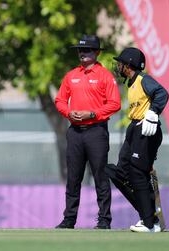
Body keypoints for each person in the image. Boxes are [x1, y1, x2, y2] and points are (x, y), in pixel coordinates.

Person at [55, 35, 121, 229]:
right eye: (80, 50)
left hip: (96, 132)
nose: (82, 53)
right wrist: (69, 113)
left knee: (100, 176)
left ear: (97, 53)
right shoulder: (71, 75)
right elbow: (59, 100)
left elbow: (115, 104)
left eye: (87, 50)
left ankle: (104, 220)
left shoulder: (105, 76)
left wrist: (91, 113)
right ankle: (69, 220)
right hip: (75, 132)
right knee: (73, 178)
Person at [107, 47, 169, 233]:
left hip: (146, 127)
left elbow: (162, 94)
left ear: (129, 65)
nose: (118, 67)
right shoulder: (132, 84)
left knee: (137, 172)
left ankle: (150, 223)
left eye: (121, 64)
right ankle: (148, 213)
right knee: (118, 173)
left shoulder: (143, 79)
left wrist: (152, 113)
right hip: (134, 129)